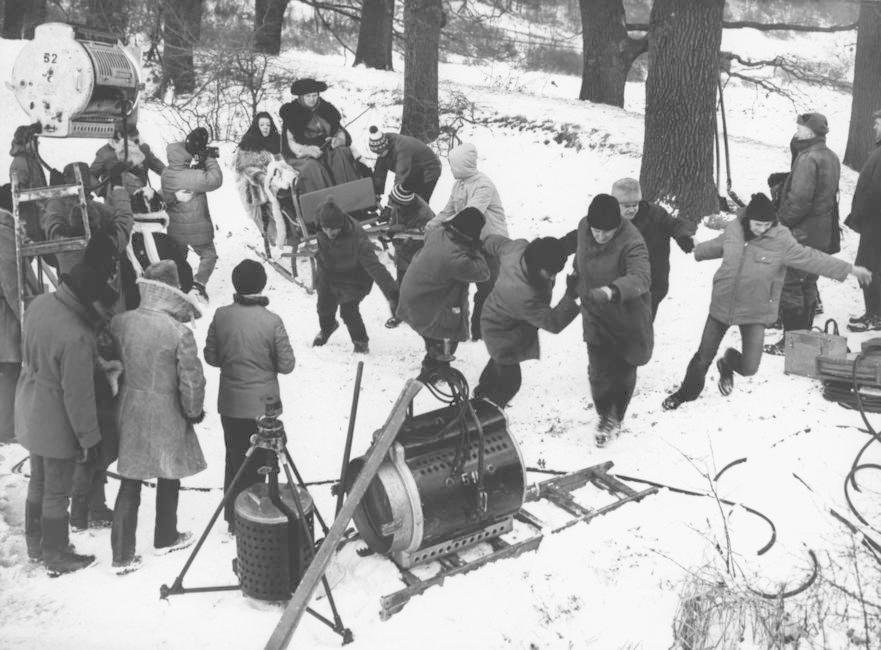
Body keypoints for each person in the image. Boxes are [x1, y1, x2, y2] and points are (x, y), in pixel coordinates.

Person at [662, 193, 871, 411]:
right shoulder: (735, 230)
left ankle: (728, 362)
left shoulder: (781, 241)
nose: (762, 229)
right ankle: (684, 395)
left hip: (755, 311)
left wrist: (849, 269)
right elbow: (716, 245)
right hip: (723, 304)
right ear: (747, 219)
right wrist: (696, 248)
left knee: (750, 367)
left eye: (766, 224)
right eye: (757, 224)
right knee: (703, 356)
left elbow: (812, 258)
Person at [16, 258, 114, 573]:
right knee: (57, 489)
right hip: (56, 418)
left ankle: (36, 543)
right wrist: (89, 438)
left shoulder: (40, 303)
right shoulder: (77, 336)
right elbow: (78, 396)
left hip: (30, 404)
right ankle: (56, 553)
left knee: (39, 480)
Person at [110, 260, 206, 573]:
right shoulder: (179, 332)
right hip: (166, 411)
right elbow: (191, 380)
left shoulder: (121, 322)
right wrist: (193, 412)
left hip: (129, 408)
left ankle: (121, 554)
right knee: (169, 472)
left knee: (131, 477)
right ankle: (165, 536)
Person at [204, 259, 295, 533]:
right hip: (263, 406)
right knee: (262, 461)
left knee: (235, 457)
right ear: (262, 284)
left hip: (231, 403)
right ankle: (257, 518)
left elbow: (211, 356)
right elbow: (287, 365)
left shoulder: (221, 316)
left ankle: (234, 518)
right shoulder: (271, 321)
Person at [575, 194, 652, 447]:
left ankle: (615, 416)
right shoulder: (584, 227)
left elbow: (641, 277)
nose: (600, 236)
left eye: (607, 232)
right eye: (596, 231)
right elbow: (580, 256)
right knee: (598, 373)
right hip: (595, 313)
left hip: (626, 316)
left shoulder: (632, 241)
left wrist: (612, 291)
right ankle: (603, 412)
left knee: (623, 370)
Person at [765, 112, 841, 354]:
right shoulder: (831, 156)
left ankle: (791, 345)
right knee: (808, 283)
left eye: (799, 127)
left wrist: (780, 223)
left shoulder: (808, 158)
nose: (797, 131)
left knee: (790, 284)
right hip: (821, 234)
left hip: (802, 233)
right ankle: (803, 340)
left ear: (809, 131)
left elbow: (799, 200)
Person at [475, 236, 579, 407]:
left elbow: (495, 243)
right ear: (537, 266)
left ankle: (482, 394)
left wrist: (483, 244)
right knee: (510, 382)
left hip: (497, 316)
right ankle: (487, 412)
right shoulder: (524, 294)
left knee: (498, 362)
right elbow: (553, 323)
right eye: (550, 272)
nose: (552, 277)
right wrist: (571, 295)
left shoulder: (518, 250)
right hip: (503, 332)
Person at [427, 143, 507, 340]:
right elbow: (449, 210)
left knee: (487, 288)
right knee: (457, 287)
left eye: (453, 165)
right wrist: (431, 225)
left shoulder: (483, 185)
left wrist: (445, 227)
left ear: (463, 165)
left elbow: (470, 214)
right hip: (469, 241)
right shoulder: (459, 185)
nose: (451, 170)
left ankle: (481, 331)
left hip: (490, 243)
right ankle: (457, 328)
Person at [397, 207, 490, 377]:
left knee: (434, 334)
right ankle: (433, 370)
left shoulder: (438, 232)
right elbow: (483, 272)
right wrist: (476, 249)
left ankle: (435, 360)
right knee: (446, 334)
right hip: (427, 303)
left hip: (414, 295)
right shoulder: (455, 259)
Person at [311, 198, 398, 353]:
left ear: (341, 223)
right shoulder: (320, 221)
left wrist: (392, 294)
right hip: (329, 272)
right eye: (326, 228)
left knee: (348, 310)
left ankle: (360, 342)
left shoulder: (357, 238)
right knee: (324, 306)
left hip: (354, 278)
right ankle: (328, 327)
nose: (330, 232)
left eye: (335, 229)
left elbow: (375, 267)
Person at [610, 178, 694, 320]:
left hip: (652, 284)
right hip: (621, 284)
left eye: (634, 204)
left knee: (642, 326)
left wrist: (683, 237)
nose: (631, 209)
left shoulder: (655, 214)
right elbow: (588, 233)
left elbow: (674, 225)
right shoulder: (609, 219)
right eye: (626, 206)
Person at [161, 128, 224, 301]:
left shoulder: (167, 173)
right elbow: (215, 180)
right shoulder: (192, 176)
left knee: (179, 257)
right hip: (196, 227)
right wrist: (210, 159)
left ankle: (177, 286)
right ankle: (198, 284)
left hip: (175, 228)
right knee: (209, 255)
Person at [279, 78, 362, 193]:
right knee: (313, 167)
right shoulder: (292, 114)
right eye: (308, 96)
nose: (312, 99)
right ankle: (327, 202)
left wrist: (338, 139)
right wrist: (306, 150)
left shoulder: (326, 109)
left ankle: (352, 195)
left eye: (314, 95)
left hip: (327, 148)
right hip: (302, 155)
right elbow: (291, 142)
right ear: (301, 97)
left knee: (341, 155)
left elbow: (338, 129)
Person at [235, 112, 297, 255]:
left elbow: (286, 159)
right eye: (262, 124)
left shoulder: (277, 140)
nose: (265, 128)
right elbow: (246, 168)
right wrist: (264, 177)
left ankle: (295, 229)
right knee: (276, 199)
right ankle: (278, 237)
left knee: (294, 191)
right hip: (256, 183)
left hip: (278, 177)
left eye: (268, 125)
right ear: (256, 126)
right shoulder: (248, 144)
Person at [846, 109, 881, 332]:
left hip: (876, 222)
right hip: (874, 221)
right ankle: (873, 313)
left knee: (870, 266)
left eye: (878, 123)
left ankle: (875, 316)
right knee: (869, 265)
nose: (875, 127)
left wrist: (860, 213)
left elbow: (876, 190)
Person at [382, 182, 435, 328]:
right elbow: (394, 221)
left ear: (403, 204)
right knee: (401, 285)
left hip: (418, 254)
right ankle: (398, 316)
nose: (390, 203)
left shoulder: (423, 213)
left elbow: (425, 234)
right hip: (403, 253)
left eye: (393, 202)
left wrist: (403, 231)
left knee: (419, 286)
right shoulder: (400, 205)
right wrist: (392, 230)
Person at [90, 122, 165, 212]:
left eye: (136, 139)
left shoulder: (142, 148)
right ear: (119, 136)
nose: (135, 143)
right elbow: (90, 175)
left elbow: (162, 169)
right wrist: (103, 191)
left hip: (140, 201)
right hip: (115, 202)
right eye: (131, 140)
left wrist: (176, 178)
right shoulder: (105, 153)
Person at [368, 126, 442, 203]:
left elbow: (401, 176)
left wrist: (391, 202)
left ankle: (422, 213)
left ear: (386, 146)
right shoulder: (382, 145)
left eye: (380, 152)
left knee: (418, 201)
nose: (379, 155)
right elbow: (379, 173)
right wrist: (376, 194)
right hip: (413, 170)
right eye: (376, 153)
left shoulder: (402, 148)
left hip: (430, 168)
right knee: (404, 200)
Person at [0, 208, 21, 444]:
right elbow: (10, 282)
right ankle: (5, 428)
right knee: (9, 369)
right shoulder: (4, 231)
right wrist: (26, 318)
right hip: (4, 315)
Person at [9, 123, 47, 241]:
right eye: (35, 141)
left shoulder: (28, 160)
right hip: (32, 221)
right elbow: (21, 195)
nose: (37, 144)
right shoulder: (21, 162)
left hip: (38, 217)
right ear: (28, 142)